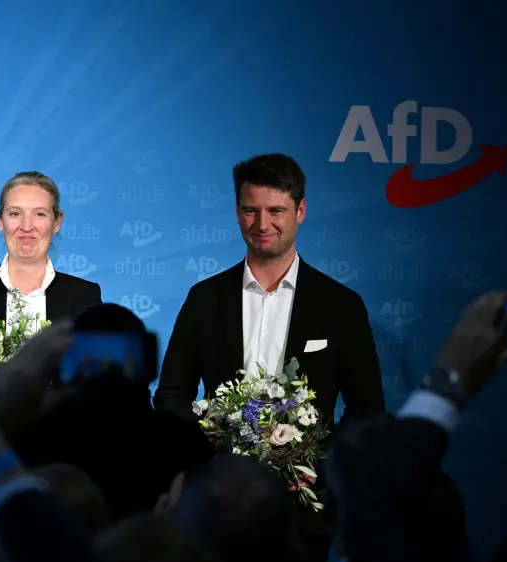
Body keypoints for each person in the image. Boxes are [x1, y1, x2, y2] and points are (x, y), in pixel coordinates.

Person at [154, 153, 385, 428]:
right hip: (221, 468)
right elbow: (172, 395)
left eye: (276, 211)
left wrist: (321, 462)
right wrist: (208, 449)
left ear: (300, 212)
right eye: (251, 210)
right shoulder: (205, 298)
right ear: (238, 213)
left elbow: (367, 410)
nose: (262, 225)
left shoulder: (341, 305)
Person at [0, 171, 101, 354]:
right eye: (15, 213)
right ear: (0, 220)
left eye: (39, 214)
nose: (26, 227)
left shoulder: (85, 297)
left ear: (57, 222)